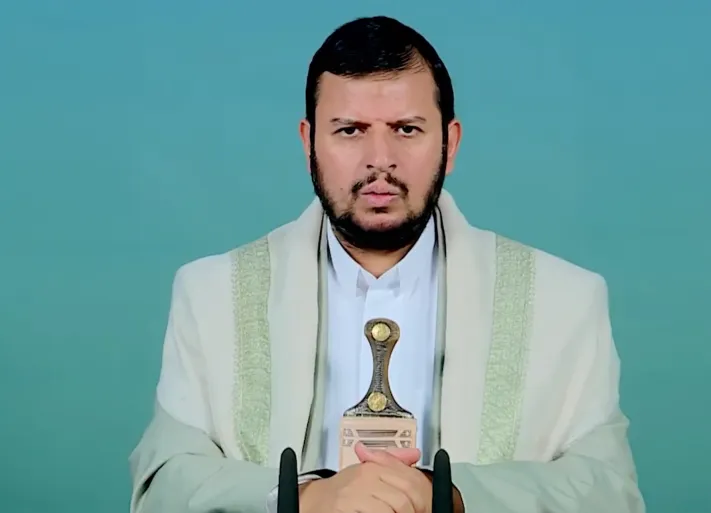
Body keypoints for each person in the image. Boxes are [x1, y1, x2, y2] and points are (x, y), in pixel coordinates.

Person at [129, 15, 645, 513]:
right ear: (309, 144)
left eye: (406, 129)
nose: (380, 159)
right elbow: (162, 487)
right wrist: (304, 499)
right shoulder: (212, 295)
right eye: (350, 130)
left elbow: (610, 491)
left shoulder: (562, 300)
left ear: (450, 143)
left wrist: (447, 495)